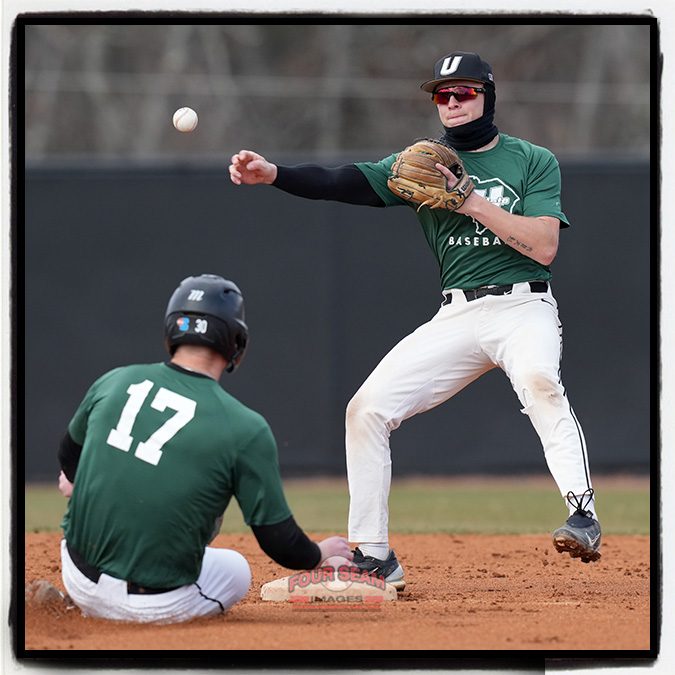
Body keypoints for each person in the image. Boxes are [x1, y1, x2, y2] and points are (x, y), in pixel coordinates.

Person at [228, 51, 602, 590]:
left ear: (487, 97)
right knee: (367, 409)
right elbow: (339, 181)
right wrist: (273, 174)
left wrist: (471, 200)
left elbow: (544, 247)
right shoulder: (418, 164)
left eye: (463, 92)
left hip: (524, 306)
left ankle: (582, 517)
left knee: (540, 383)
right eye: (442, 94)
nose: (450, 102)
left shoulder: (531, 160)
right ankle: (375, 555)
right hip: (458, 312)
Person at [57, 273, 353, 623]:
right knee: (236, 569)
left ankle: (78, 603)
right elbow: (280, 540)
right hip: (149, 606)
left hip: (75, 575)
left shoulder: (117, 378)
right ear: (236, 343)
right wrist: (319, 554)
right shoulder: (246, 427)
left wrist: (84, 486)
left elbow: (68, 458)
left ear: (171, 330)